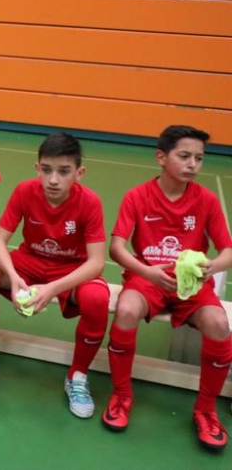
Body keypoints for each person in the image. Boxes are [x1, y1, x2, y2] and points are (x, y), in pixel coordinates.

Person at [0, 132, 109, 419]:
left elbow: (97, 262)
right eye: (46, 170)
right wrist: (13, 277)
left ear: (79, 173)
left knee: (98, 298)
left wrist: (52, 288)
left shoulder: (90, 202)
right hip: (29, 261)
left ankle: (77, 376)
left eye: (64, 172)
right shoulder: (25, 191)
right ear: (37, 168)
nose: (53, 180)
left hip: (70, 268)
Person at [102, 125, 232, 451]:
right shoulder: (137, 196)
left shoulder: (206, 200)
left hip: (191, 285)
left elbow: (228, 251)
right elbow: (116, 247)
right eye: (184, 156)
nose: (193, 164)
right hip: (148, 278)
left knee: (219, 324)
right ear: (161, 157)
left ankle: (205, 410)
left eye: (199, 158)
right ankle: (121, 395)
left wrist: (212, 266)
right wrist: (147, 271)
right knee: (126, 310)